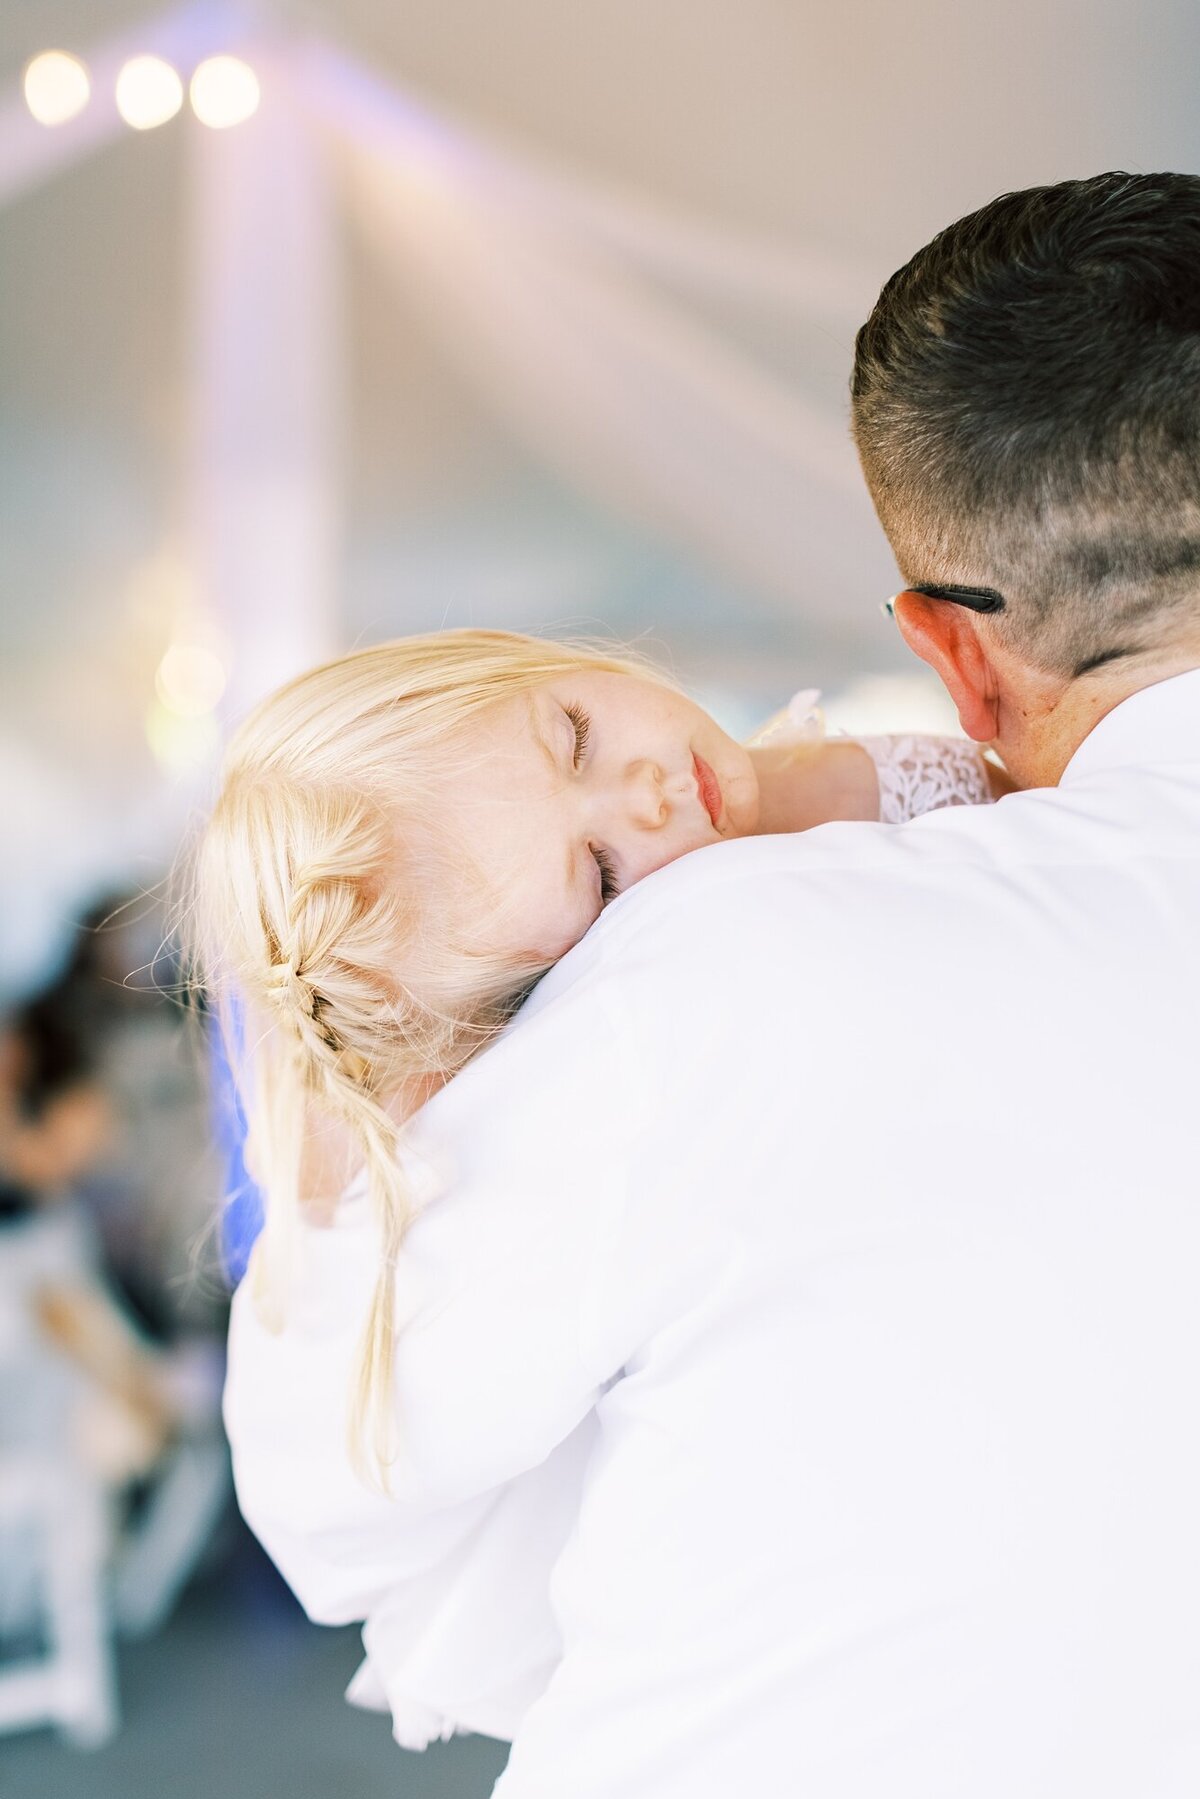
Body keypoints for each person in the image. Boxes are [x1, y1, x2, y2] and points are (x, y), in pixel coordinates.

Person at [220, 170, 1200, 1798]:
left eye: (572, 734)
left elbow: (337, 1490)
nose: (657, 808)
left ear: (954, 656)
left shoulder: (728, 956)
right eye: (595, 873)